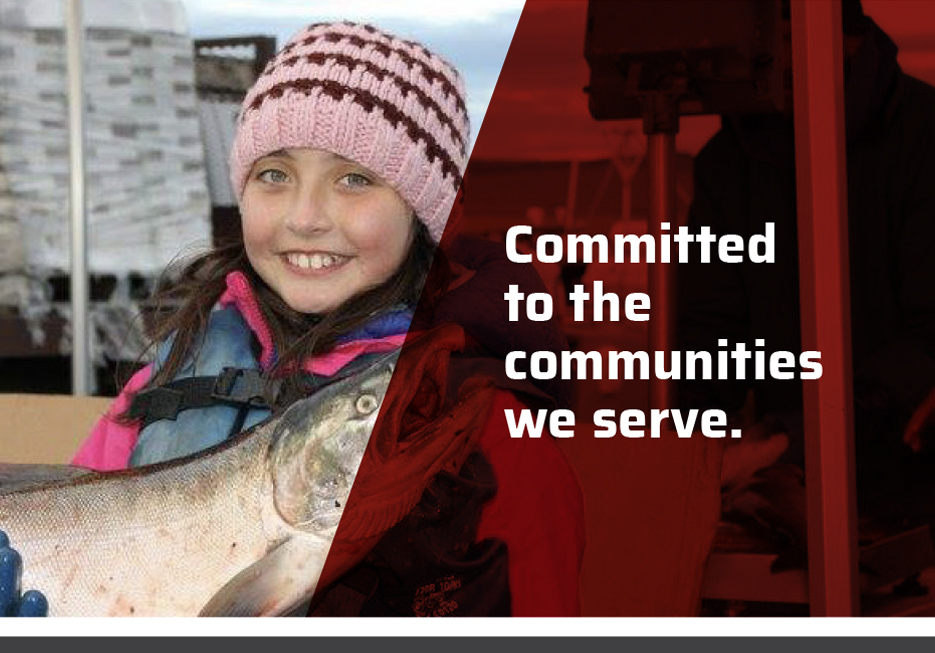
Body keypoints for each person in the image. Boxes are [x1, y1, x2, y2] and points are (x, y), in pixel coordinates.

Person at [2, 22, 584, 616]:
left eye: (354, 179)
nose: (305, 217)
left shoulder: (491, 431)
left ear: (424, 216)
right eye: (274, 174)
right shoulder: (169, 372)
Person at [677, 1, 935, 528]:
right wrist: (699, 449)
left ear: (842, 37)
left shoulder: (924, 137)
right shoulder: (731, 162)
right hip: (793, 483)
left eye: (781, 42)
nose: (768, 62)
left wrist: (798, 434)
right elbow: (709, 327)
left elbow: (932, 331)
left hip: (917, 472)